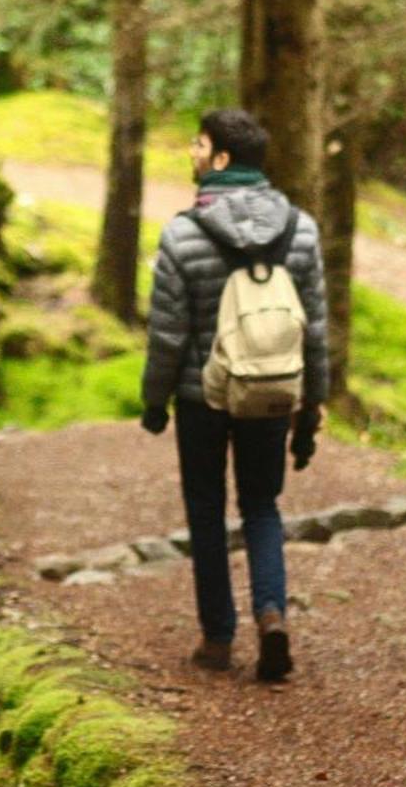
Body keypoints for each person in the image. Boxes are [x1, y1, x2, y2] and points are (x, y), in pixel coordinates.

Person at [139, 108, 328, 682]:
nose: (191, 155)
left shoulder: (181, 234)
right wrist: (310, 408)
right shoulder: (301, 230)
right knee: (262, 506)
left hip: (204, 398)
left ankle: (218, 639)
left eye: (198, 146)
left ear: (221, 159)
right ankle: (272, 615)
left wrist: (155, 400)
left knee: (206, 510)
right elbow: (314, 329)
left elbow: (168, 334)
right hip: (272, 394)